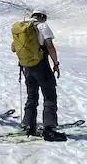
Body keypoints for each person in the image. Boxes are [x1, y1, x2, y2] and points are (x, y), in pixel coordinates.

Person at [13, 9, 66, 141]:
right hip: (41, 66)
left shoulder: (22, 27)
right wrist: (56, 63)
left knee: (32, 96)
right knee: (49, 96)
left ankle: (28, 125)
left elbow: (13, 48)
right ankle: (49, 129)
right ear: (42, 17)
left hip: (27, 67)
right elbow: (50, 46)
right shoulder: (42, 26)